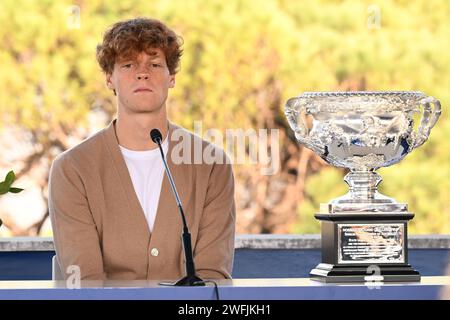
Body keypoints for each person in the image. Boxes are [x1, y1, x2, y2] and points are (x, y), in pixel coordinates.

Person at [49, 17, 236, 281]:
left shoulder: (212, 165)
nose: (142, 73)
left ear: (171, 77)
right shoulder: (72, 169)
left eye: (155, 64)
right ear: (109, 79)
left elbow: (211, 278)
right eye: (128, 65)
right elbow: (86, 282)